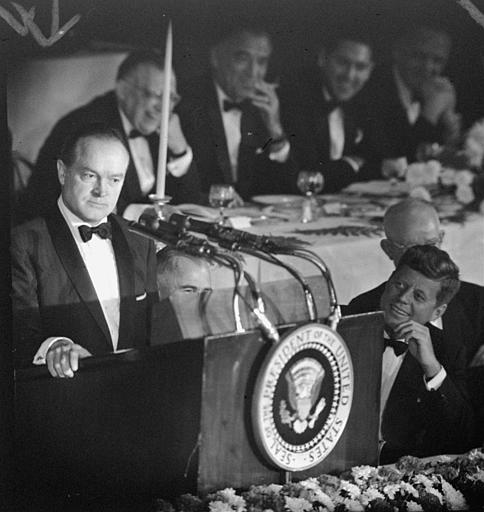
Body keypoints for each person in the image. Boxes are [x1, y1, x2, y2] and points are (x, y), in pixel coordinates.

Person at [11, 124, 159, 378]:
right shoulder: (23, 242)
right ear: (62, 172)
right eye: (89, 176)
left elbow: (154, 329)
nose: (102, 191)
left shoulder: (141, 240)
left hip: (134, 389)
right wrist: (52, 347)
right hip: (65, 397)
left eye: (115, 179)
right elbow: (16, 334)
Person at [23, 50, 201, 220]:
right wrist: (142, 212)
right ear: (123, 91)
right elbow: (73, 202)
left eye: (171, 98)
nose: (162, 107)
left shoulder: (159, 126)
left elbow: (189, 199)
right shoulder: (86, 126)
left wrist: (180, 148)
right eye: (153, 94)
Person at [346, 198, 484, 367]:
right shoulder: (362, 311)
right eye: (412, 248)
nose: (424, 255)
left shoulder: (476, 301)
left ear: (441, 239)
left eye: (431, 244)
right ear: (388, 249)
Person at [177, 24, 298, 202]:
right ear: (215, 57)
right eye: (242, 58)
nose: (253, 72)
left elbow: (288, 188)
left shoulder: (266, 108)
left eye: (262, 62)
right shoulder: (185, 102)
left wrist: (275, 129)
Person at [376, 245, 473, 463]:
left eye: (418, 296)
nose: (402, 298)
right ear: (389, 279)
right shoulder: (348, 327)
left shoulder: (446, 350)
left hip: (395, 470)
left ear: (437, 311)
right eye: (399, 284)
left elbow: (464, 434)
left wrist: (431, 367)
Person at [281, 31, 381, 192]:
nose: (350, 75)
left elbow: (378, 164)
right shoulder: (296, 102)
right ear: (322, 58)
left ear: (370, 70)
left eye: (360, 67)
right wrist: (351, 164)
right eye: (342, 62)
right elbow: (306, 177)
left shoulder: (365, 104)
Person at [362, 25, 461, 170]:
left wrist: (450, 134)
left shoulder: (435, 91)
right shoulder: (371, 88)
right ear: (397, 52)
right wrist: (430, 114)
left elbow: (442, 163)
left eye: (438, 61)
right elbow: (397, 162)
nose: (427, 68)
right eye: (419, 56)